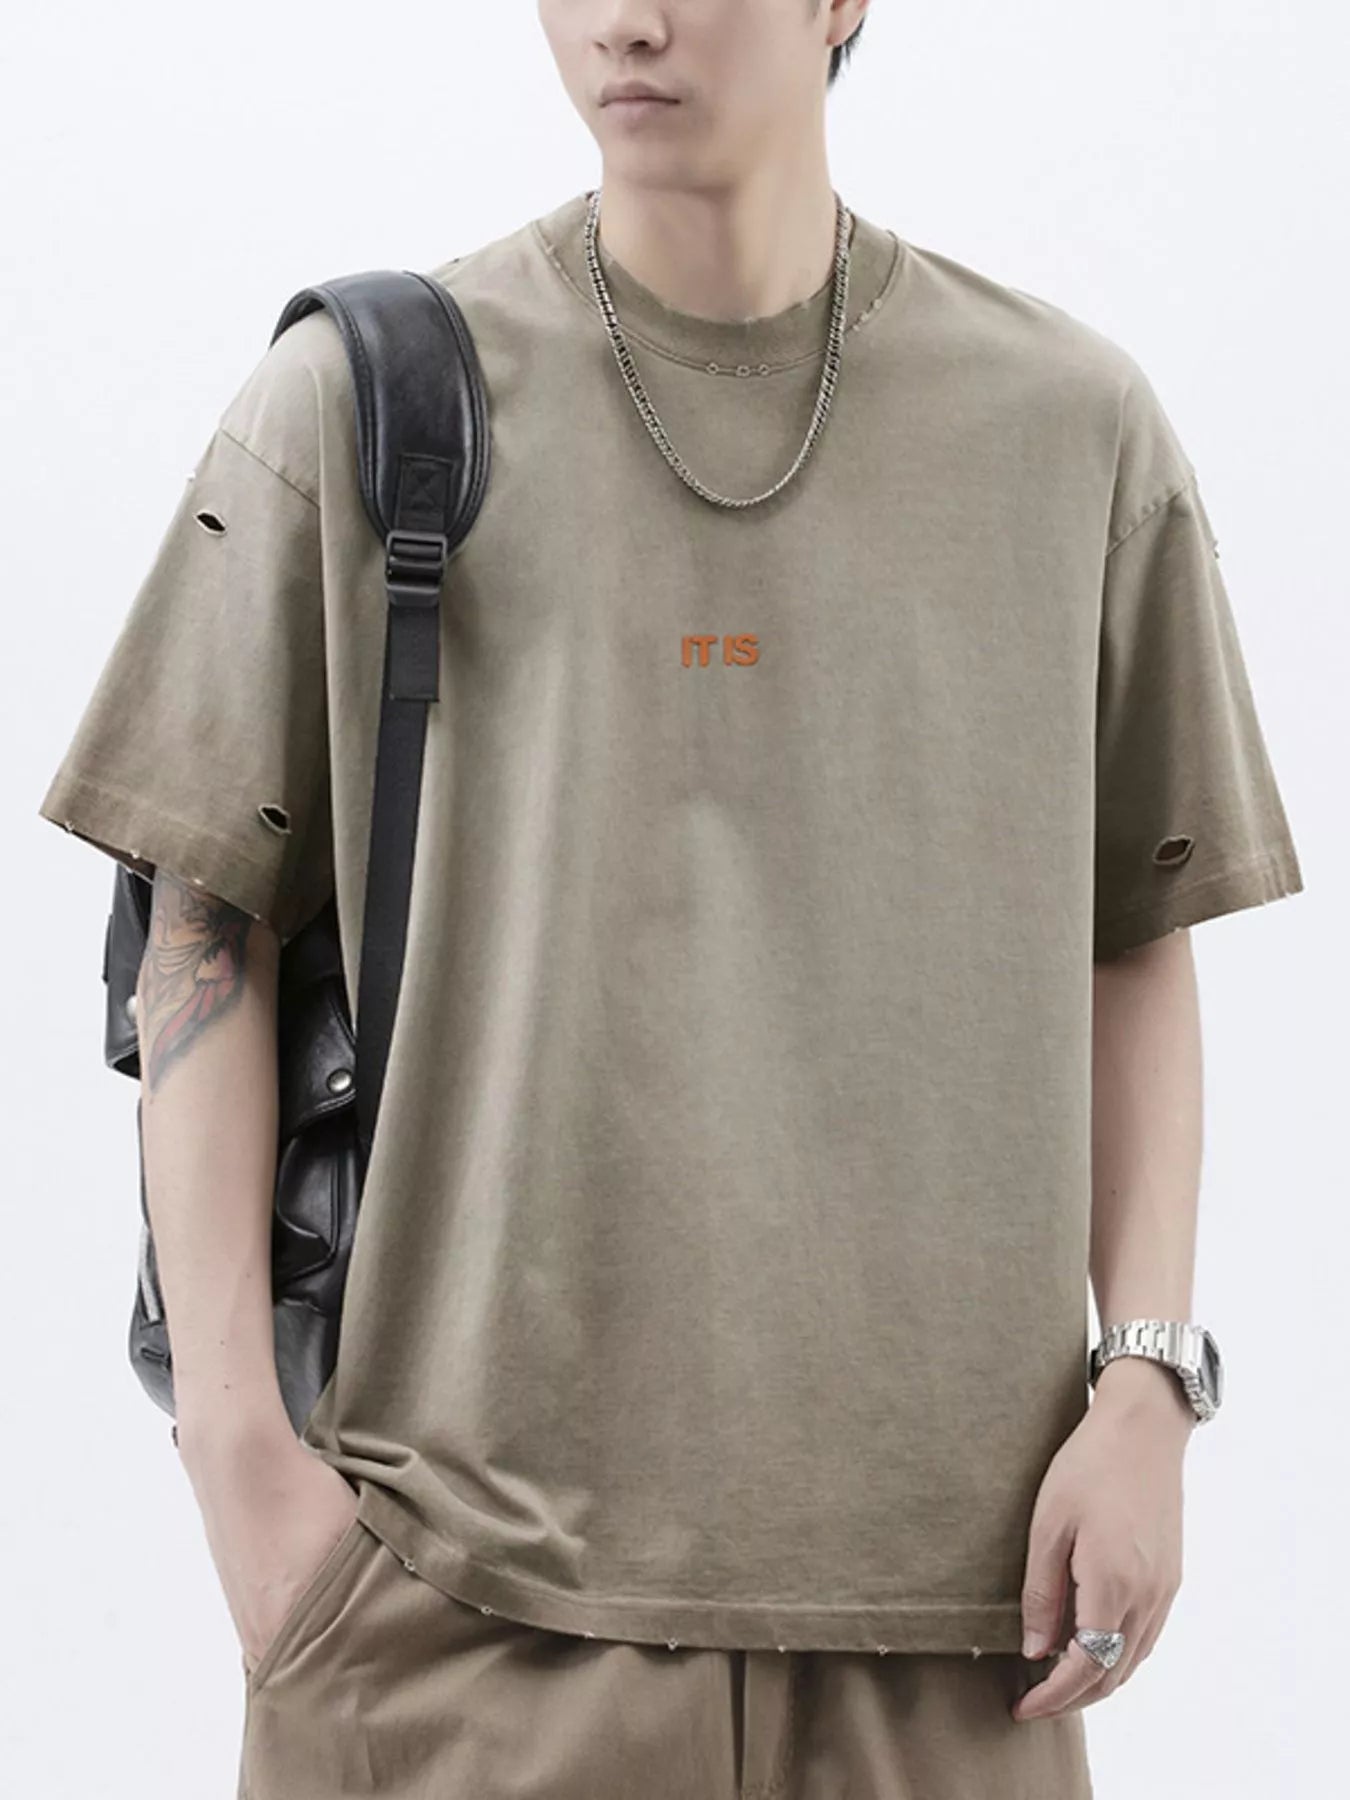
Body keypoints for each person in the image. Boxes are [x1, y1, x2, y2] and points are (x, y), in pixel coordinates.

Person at [38, 3, 1304, 1796]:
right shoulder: (361, 405)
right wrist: (241, 1462)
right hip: (455, 1609)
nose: (623, 21)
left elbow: (1133, 933)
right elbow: (199, 920)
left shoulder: (1069, 430)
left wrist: (1146, 1381)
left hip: (956, 1630)